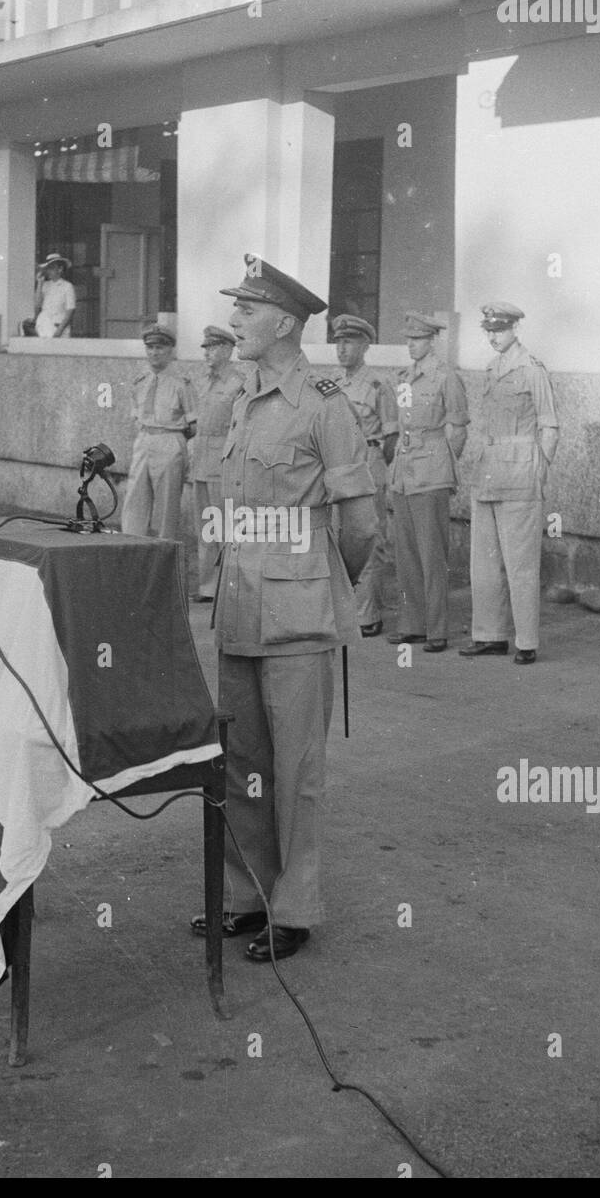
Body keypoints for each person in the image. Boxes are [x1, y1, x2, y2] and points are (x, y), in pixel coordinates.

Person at [190, 255, 377, 961]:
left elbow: (359, 521)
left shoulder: (325, 403)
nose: (235, 319)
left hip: (298, 614)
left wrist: (322, 582)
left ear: (287, 322)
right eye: (236, 308)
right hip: (239, 605)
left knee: (295, 770)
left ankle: (294, 909)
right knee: (240, 759)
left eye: (248, 309)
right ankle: (246, 896)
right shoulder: (242, 399)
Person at [459, 302, 559, 666]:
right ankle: (489, 636)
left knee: (521, 563)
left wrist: (538, 467)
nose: (492, 336)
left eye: (498, 330)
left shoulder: (531, 369)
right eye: (488, 330)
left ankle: (527, 641)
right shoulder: (492, 368)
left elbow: (550, 425)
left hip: (519, 474)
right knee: (483, 562)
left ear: (515, 329)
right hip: (488, 472)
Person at [387, 311, 469, 652]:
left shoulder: (445, 376)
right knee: (405, 552)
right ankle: (413, 623)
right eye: (408, 339)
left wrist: (441, 460)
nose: (411, 345)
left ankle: (437, 629)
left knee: (432, 554)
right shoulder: (405, 376)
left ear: (431, 341)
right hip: (404, 472)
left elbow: (459, 426)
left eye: (417, 339)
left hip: (430, 472)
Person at [330, 314, 399, 637]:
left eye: (349, 342)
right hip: (340, 465)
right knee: (339, 535)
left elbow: (392, 438)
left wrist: (375, 466)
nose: (342, 349)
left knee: (369, 535)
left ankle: (368, 613)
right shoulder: (334, 385)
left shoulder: (377, 385)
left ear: (365, 346)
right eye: (338, 342)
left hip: (368, 461)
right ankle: (345, 609)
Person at [121, 323, 197, 541]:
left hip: (169, 440)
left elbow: (194, 425)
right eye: (150, 348)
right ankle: (130, 546)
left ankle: (164, 552)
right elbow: (136, 416)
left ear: (170, 351)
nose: (154, 353)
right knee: (135, 499)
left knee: (166, 504)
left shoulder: (182, 384)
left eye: (160, 348)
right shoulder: (139, 382)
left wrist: (175, 443)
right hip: (144, 440)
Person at [191, 326, 245, 602]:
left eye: (212, 347)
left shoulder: (238, 383)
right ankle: (208, 586)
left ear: (227, 349)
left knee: (225, 526)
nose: (207, 353)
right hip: (200, 459)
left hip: (222, 460)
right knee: (205, 527)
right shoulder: (203, 381)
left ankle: (229, 585)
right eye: (205, 348)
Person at [34, 253, 76, 338]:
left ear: (60, 269)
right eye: (47, 269)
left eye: (51, 268)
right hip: (44, 327)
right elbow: (37, 305)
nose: (48, 271)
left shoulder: (67, 286)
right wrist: (39, 283)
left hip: (59, 328)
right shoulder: (45, 285)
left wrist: (59, 331)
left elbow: (70, 310)